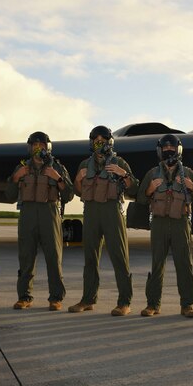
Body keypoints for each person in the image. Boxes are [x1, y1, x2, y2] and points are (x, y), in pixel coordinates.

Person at [68, 126, 138, 316]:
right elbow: (78, 191)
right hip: (90, 212)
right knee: (90, 257)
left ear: (109, 142)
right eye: (96, 140)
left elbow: (134, 189)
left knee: (119, 257)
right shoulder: (84, 165)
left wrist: (122, 173)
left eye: (103, 140)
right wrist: (78, 179)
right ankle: (88, 299)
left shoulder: (119, 161)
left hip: (112, 211)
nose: (99, 143)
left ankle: (124, 302)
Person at [136, 134, 193, 318]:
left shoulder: (188, 174)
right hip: (159, 223)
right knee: (157, 264)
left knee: (184, 264)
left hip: (180, 223)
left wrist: (192, 187)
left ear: (178, 151)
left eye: (172, 149)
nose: (169, 151)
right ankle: (153, 304)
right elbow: (141, 199)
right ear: (160, 151)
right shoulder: (152, 174)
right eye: (165, 148)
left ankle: (187, 305)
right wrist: (150, 189)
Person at [6, 132, 74, 311]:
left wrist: (57, 178)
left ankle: (56, 298)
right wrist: (15, 177)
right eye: (34, 145)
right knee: (26, 257)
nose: (38, 148)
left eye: (41, 145)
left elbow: (69, 194)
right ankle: (24, 297)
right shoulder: (21, 168)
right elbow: (10, 195)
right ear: (30, 148)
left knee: (54, 258)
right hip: (28, 216)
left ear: (47, 147)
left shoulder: (57, 168)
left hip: (49, 215)